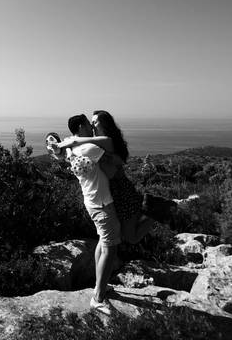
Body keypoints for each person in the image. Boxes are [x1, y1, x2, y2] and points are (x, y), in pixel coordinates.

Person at [52, 114, 120, 313]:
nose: (92, 127)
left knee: (102, 241)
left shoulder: (72, 149)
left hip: (92, 200)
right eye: (89, 124)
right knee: (111, 249)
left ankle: (101, 285)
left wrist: (66, 143)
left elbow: (60, 151)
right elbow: (114, 156)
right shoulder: (89, 148)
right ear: (81, 126)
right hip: (102, 204)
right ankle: (98, 298)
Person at [56, 110, 155, 246]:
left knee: (130, 237)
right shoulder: (97, 144)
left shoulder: (106, 141)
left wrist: (70, 142)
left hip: (121, 190)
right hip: (113, 192)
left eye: (95, 122)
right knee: (123, 233)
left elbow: (81, 141)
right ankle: (151, 209)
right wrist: (69, 145)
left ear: (105, 125)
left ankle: (156, 212)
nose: (92, 125)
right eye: (91, 123)